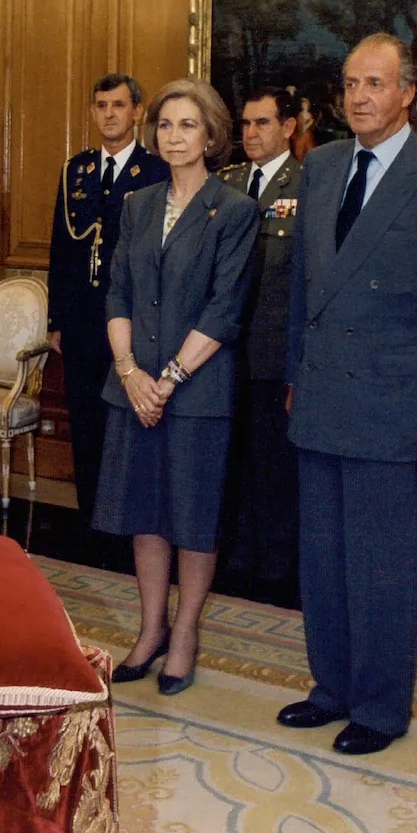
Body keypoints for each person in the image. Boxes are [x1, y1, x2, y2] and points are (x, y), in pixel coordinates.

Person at [279, 33, 417, 755]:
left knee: (383, 567)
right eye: (351, 83)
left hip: (398, 408)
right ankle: (330, 686)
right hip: (324, 397)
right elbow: (306, 286)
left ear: (407, 95)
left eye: (375, 83)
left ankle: (379, 706)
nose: (360, 96)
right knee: (324, 558)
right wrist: (296, 379)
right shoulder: (324, 165)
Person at [94, 78, 258, 696]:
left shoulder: (234, 210)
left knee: (193, 518)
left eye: (188, 125)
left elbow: (224, 310)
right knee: (145, 516)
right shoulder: (137, 204)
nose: (174, 135)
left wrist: (166, 381)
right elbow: (119, 293)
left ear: (211, 134)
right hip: (134, 387)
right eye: (165, 124)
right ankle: (150, 629)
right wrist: (130, 371)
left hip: (196, 392)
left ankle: (185, 634)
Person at [48, 75, 168, 534]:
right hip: (80, 321)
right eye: (101, 106)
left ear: (137, 111)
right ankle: (88, 521)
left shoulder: (155, 170)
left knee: (126, 424)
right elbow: (62, 249)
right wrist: (56, 319)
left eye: (118, 105)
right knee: (85, 420)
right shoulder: (74, 171)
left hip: (132, 320)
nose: (109, 114)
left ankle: (124, 524)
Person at [216, 87, 303, 599]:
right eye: (245, 124)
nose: (251, 134)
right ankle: (236, 554)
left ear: (288, 128)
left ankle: (274, 564)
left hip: (273, 353)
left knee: (273, 464)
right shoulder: (226, 183)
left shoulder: (308, 183)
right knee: (231, 459)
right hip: (221, 351)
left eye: (262, 123)